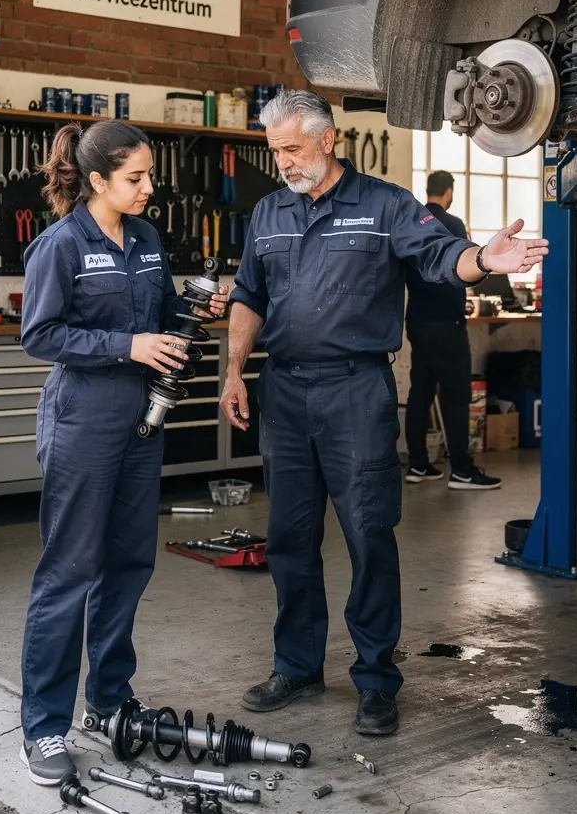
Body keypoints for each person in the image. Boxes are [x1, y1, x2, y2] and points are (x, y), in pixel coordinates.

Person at [219, 91, 547, 737]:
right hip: (283, 391)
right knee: (288, 537)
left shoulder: (384, 206)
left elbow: (437, 258)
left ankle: (375, 679)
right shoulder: (268, 212)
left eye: (292, 149)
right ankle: (297, 664)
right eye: (275, 151)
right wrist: (234, 368)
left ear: (328, 140)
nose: (282, 162)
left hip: (355, 392)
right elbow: (248, 294)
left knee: (369, 533)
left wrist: (483, 259)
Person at [18, 120, 226, 785]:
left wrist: (195, 310)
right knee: (68, 573)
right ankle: (45, 728)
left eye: (150, 176)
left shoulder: (147, 239)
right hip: (84, 420)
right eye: (135, 178)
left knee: (129, 563)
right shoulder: (61, 245)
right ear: (98, 180)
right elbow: (40, 334)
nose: (148, 188)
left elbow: (161, 313)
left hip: (141, 421)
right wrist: (126, 346)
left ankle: (108, 701)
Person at [404, 170, 501, 491]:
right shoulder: (453, 224)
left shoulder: (411, 222)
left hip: (417, 319)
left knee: (421, 392)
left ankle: (418, 464)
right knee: (457, 395)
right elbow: (468, 269)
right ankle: (461, 469)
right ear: (448, 192)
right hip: (447, 320)